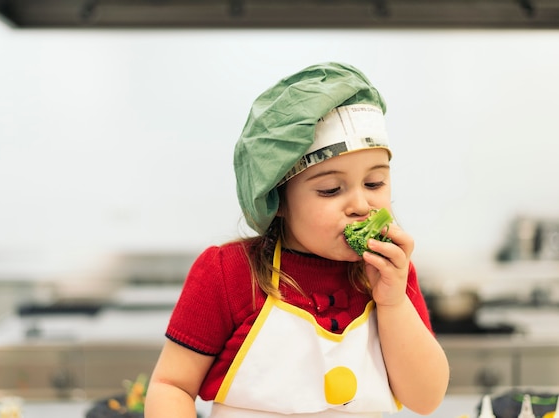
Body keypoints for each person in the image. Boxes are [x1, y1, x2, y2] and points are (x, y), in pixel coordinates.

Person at [145, 62, 450, 418]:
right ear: (278, 200)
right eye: (330, 189)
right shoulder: (228, 274)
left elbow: (426, 399)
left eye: (375, 183)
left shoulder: (390, 274)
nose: (360, 205)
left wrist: (393, 302)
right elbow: (172, 386)